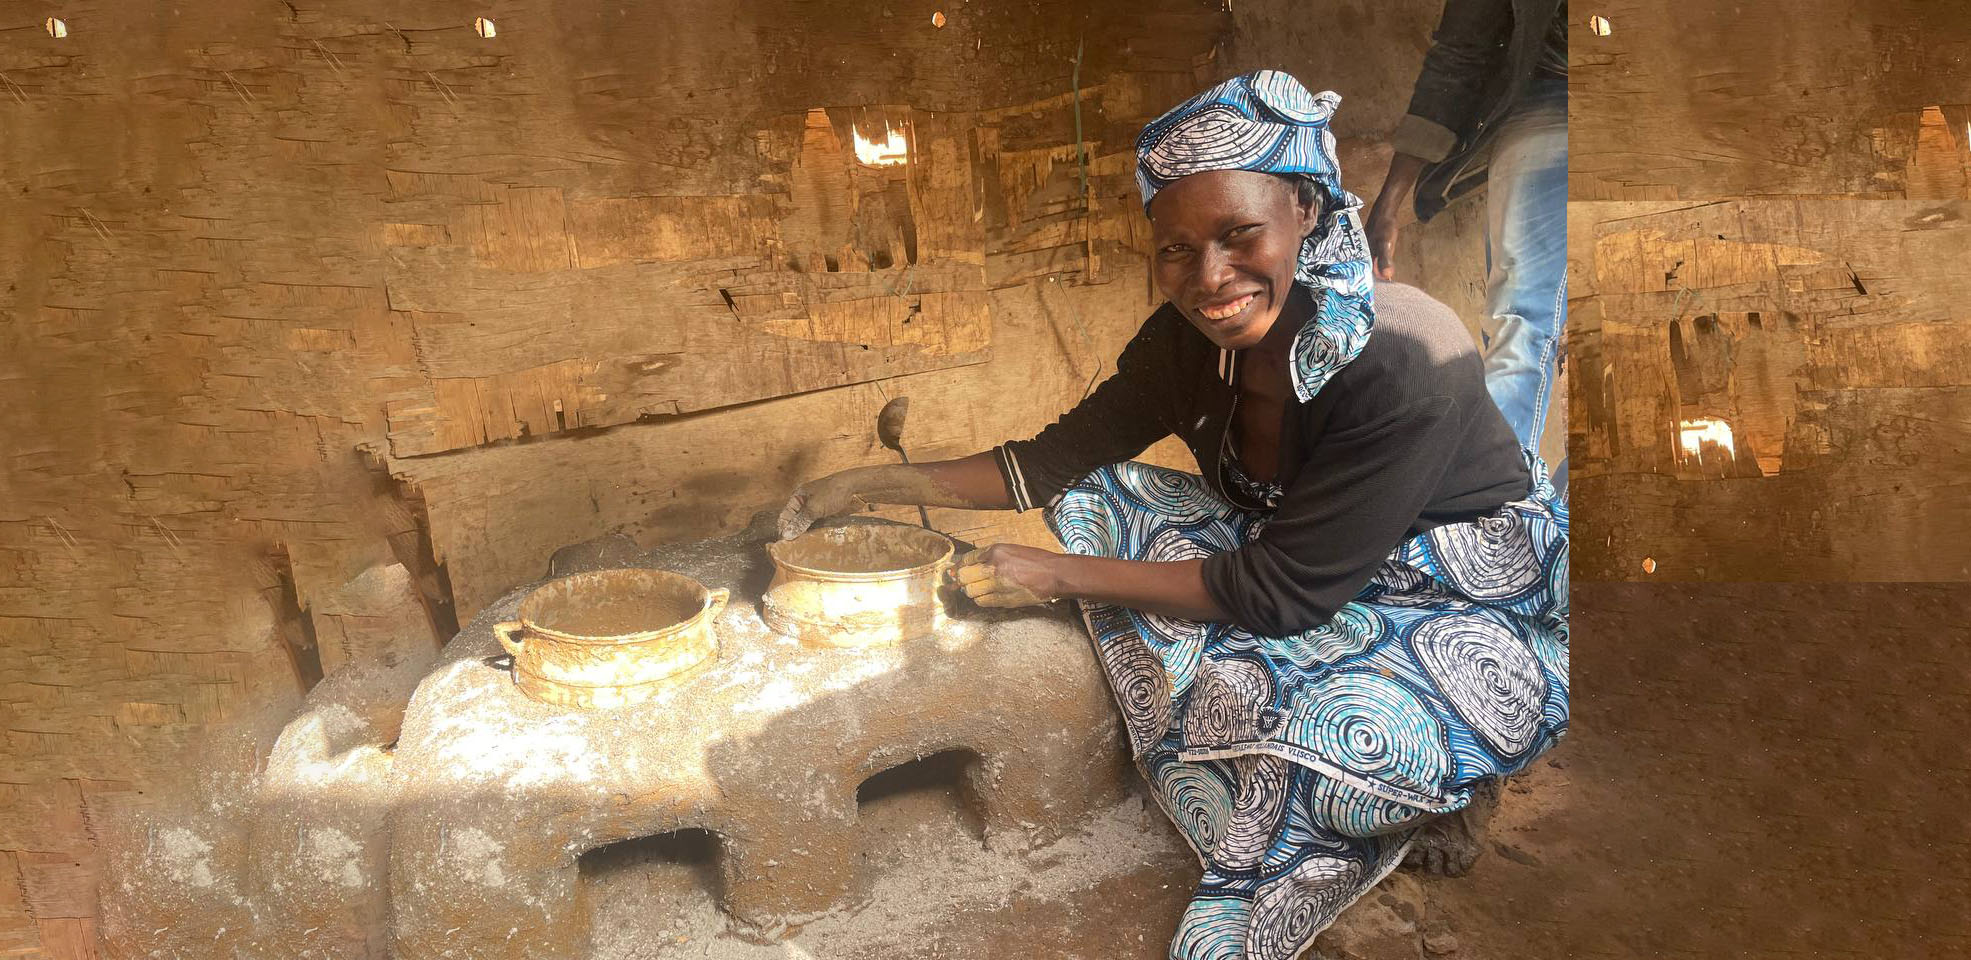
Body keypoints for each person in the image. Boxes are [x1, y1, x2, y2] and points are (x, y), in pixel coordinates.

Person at [779, 70, 1567, 959]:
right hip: (1302, 556)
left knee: (1345, 754)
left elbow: (1282, 595)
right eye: (1175, 251)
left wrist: (1054, 573)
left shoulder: (1404, 353)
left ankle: (1464, 779)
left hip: (1456, 600)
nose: (1209, 279)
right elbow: (1048, 464)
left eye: (1239, 237)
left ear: (1303, 214)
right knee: (1102, 500)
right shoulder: (1180, 344)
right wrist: (867, 485)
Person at [1367, 0, 1568, 488]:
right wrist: (1391, 201)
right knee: (1522, 323)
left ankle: (1498, 510)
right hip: (1555, 97)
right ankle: (1481, 506)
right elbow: (1462, 50)